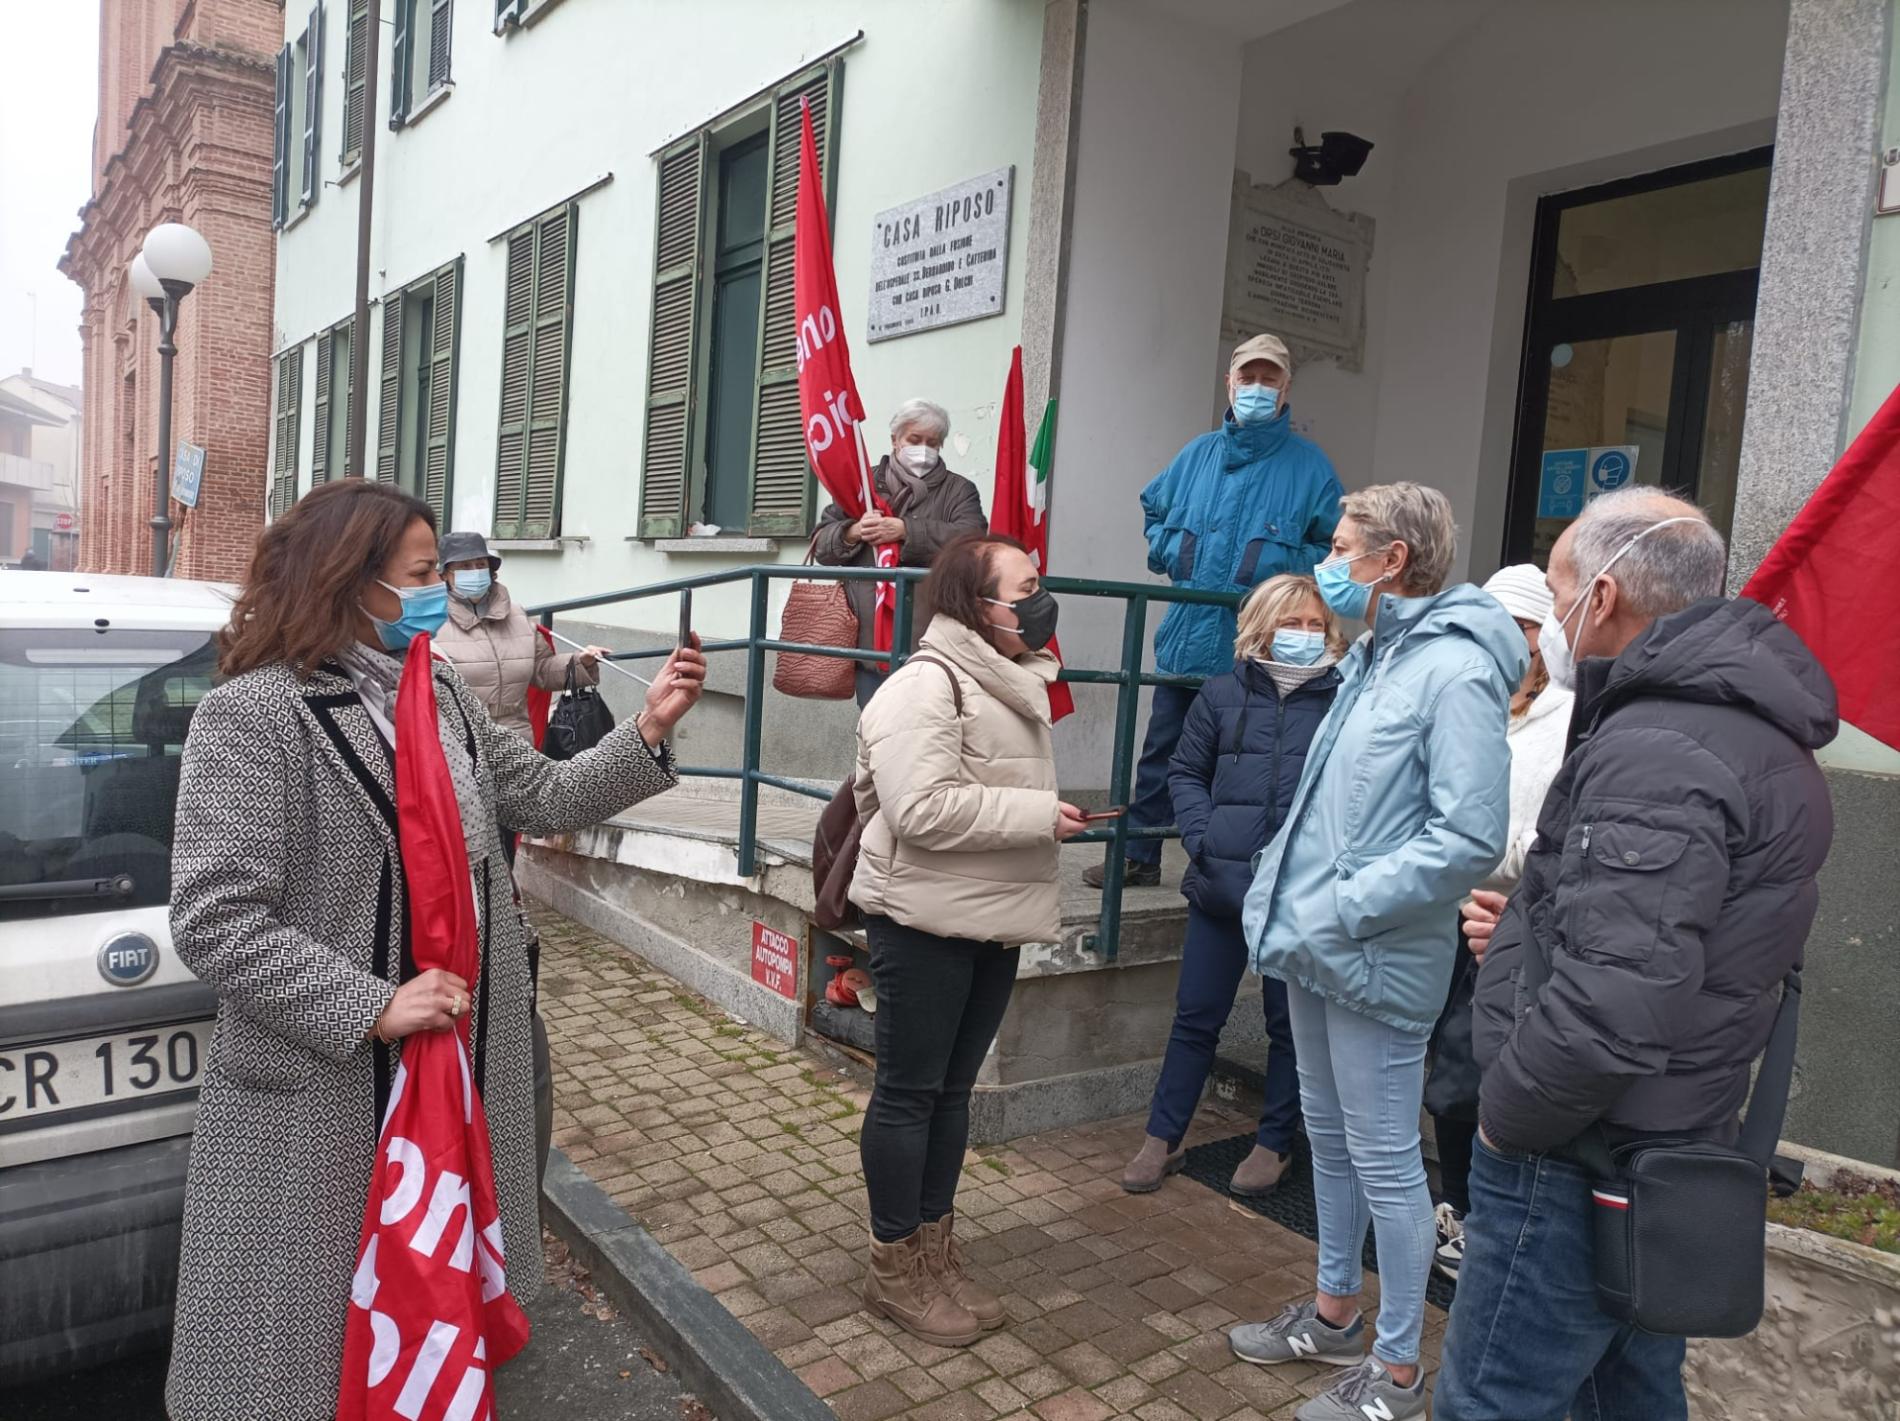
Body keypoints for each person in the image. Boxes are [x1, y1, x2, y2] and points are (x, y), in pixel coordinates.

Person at [163, 480, 706, 1420]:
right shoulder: (254, 715)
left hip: (457, 1063)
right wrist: (370, 1001)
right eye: (420, 576)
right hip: (331, 1094)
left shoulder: (440, 690)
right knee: (311, 1358)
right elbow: (214, 916)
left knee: (430, 1333)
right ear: (351, 579)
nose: (438, 596)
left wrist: (649, 726)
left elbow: (543, 796)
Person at [1435, 490, 1837, 1421]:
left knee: (1495, 1401)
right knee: (1630, 1393)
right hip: (1663, 1141)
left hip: (1578, 1150)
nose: (1550, 621)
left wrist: (1505, 1118)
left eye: (1561, 588)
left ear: (1604, 595)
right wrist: (1531, 942)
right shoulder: (1737, 728)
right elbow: (1678, 944)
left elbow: (1613, 1007)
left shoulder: (1661, 741)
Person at [1229, 483, 1524, 1421]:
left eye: (1342, 544)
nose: (1329, 557)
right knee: (1330, 1136)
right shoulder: (1374, 656)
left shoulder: (1456, 670)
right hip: (1321, 942)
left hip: (1373, 951)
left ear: (1392, 560)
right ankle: (1333, 1314)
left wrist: (1347, 904)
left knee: (1390, 1160)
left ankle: (1397, 1373)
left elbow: (1467, 836)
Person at [849, 533, 1089, 1347]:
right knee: (910, 1092)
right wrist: (1036, 817)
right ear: (975, 603)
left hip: (991, 916)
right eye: (1024, 588)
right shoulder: (927, 685)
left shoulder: (1008, 678)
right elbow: (918, 809)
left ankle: (935, 1253)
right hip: (922, 921)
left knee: (951, 1093)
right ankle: (894, 1268)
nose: (1038, 600)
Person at [1087, 332, 1342, 890]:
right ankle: (1141, 856)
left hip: (1258, 648)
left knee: (1245, 762)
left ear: (1286, 388)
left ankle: (1240, 867)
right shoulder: (1196, 455)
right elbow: (1152, 510)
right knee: (1162, 752)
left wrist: (1278, 568)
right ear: (1229, 382)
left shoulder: (1311, 468)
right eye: (1246, 377)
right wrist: (1169, 549)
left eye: (1268, 378)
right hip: (1186, 637)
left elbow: (1335, 550)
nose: (1255, 388)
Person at [1121, 574, 1345, 1196]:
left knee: (1288, 1026)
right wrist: (1204, 837)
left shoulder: (1344, 699)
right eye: (1290, 623)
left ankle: (1275, 1143)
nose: (1304, 636)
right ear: (1261, 626)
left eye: (1315, 626)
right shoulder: (1220, 694)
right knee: (1195, 1017)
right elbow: (1185, 772)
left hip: (1298, 895)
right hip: (1222, 884)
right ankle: (1161, 1139)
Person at [1424, 563, 1573, 1283]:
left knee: (1486, 1074)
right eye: (1496, 625)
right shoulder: (1467, 698)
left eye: (1523, 627)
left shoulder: (1569, 717)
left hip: (1511, 920)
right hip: (1441, 913)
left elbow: (1557, 830)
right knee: (1445, 1080)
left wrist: (1492, 855)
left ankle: (1494, 1218)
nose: (1509, 641)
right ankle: (1454, 1208)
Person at [813, 398, 988, 706]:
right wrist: (853, 532)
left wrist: (907, 530)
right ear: (895, 440)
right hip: (868, 643)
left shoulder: (959, 490)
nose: (923, 450)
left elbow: (972, 542)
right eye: (914, 440)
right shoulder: (861, 485)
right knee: (875, 732)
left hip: (933, 642)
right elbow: (821, 546)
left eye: (933, 443)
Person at [432, 529, 609, 745]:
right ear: (444, 575)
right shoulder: (431, 621)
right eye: (464, 567)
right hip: (459, 740)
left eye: (480, 565)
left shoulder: (515, 614)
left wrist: (580, 663)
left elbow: (540, 669)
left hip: (516, 740)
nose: (475, 572)